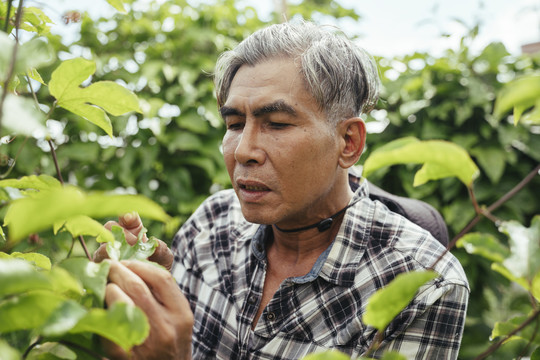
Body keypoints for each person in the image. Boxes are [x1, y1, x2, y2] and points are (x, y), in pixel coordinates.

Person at [98, 21, 469, 360]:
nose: (243, 150)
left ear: (348, 142)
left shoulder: (422, 285)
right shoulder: (210, 225)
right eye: (234, 123)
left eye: (276, 123)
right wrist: (145, 293)